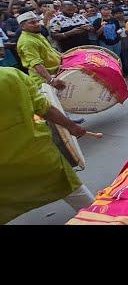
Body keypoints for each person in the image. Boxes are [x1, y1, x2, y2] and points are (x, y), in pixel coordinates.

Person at [0, 66, 95, 224]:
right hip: (37, 155)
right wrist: (72, 127)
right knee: (73, 191)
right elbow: (45, 108)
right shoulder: (11, 75)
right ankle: (100, 216)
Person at [16, 11, 65, 89]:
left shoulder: (36, 34)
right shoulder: (27, 42)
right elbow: (36, 63)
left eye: (37, 21)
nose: (37, 24)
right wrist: (51, 80)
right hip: (45, 80)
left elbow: (50, 50)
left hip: (57, 72)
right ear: (23, 26)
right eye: (32, 23)